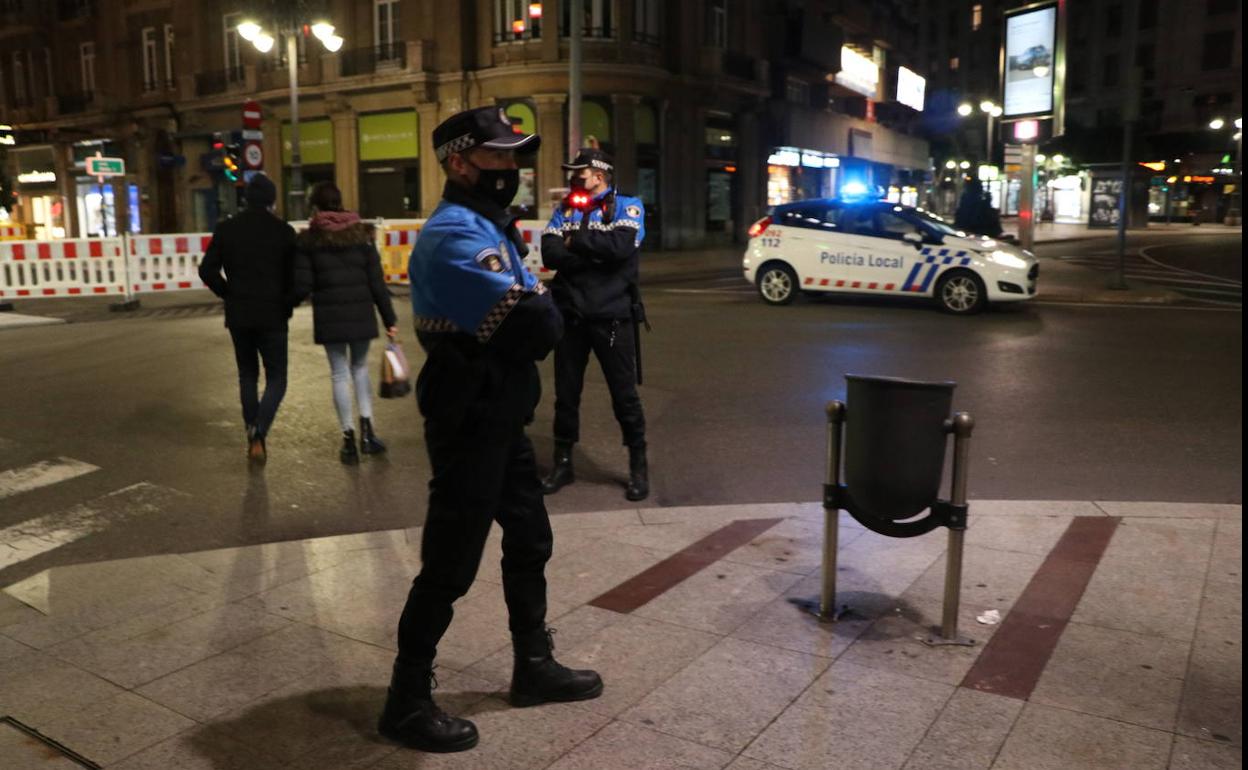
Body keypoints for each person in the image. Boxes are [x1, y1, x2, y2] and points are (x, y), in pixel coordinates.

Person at [379, 106, 600, 754]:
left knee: (530, 536)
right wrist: (538, 294)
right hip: (468, 417)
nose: (512, 169)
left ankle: (533, 666)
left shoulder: (488, 225)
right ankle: (405, 699)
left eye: (514, 157)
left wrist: (536, 294)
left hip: (501, 413)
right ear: (459, 161)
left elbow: (535, 311)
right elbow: (536, 328)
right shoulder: (454, 236)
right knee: (449, 565)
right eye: (499, 157)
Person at [538, 148, 650, 501]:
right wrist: (590, 252)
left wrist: (575, 242)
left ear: (599, 174)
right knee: (566, 396)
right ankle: (563, 461)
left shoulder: (628, 206)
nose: (573, 179)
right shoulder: (566, 209)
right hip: (571, 316)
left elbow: (619, 248)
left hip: (612, 316)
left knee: (624, 397)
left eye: (579, 173)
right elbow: (549, 252)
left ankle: (637, 466)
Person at [293, 181, 398, 464]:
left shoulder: (310, 240)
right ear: (340, 203)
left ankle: (348, 441)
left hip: (330, 318)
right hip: (361, 314)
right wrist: (390, 319)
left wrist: (283, 305)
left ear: (316, 205)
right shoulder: (361, 236)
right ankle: (368, 433)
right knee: (360, 369)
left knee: (339, 374)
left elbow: (302, 284)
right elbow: (377, 283)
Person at [198, 173, 296, 464]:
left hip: (239, 313)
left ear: (246, 198)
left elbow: (207, 270)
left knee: (247, 374)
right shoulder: (283, 231)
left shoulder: (227, 229)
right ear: (272, 200)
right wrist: (287, 303)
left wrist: (228, 293)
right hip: (273, 313)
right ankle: (259, 430)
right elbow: (294, 277)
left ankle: (251, 429)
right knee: (277, 377)